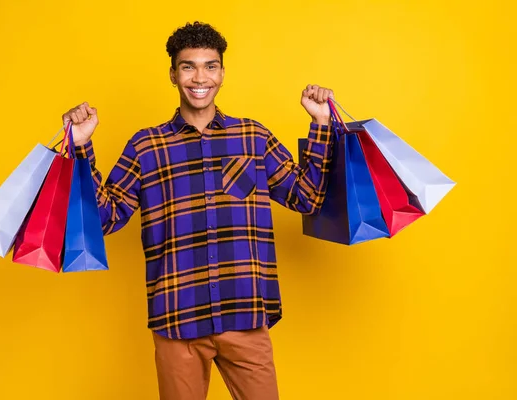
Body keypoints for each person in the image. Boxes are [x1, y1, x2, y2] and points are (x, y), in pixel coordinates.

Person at [62, 21, 334, 400]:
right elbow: (105, 218)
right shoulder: (146, 147)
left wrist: (321, 123)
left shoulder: (252, 137)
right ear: (173, 74)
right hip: (178, 319)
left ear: (222, 73)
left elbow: (307, 198)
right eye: (188, 66)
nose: (199, 77)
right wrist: (80, 146)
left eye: (210, 65)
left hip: (245, 314)